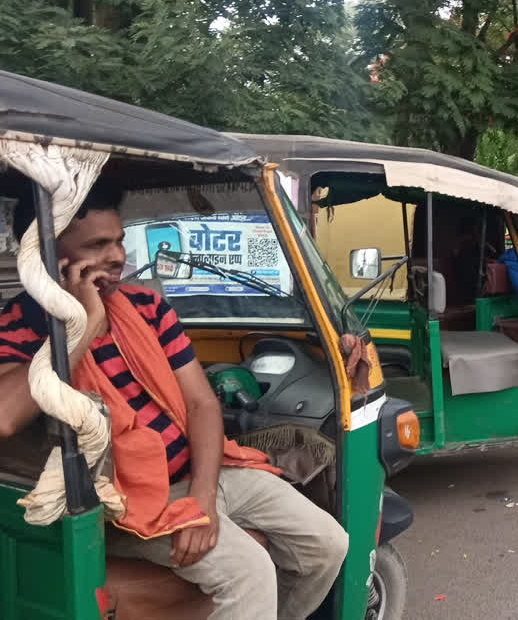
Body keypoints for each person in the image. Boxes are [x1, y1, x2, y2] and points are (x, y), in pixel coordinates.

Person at [0, 180, 347, 618]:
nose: (118, 257)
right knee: (249, 572)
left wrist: (202, 498)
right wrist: (81, 325)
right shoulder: (20, 327)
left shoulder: (147, 307)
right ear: (48, 256)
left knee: (329, 544)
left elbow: (202, 404)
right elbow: (5, 417)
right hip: (127, 504)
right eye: (99, 245)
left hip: (202, 474)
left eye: (119, 241)